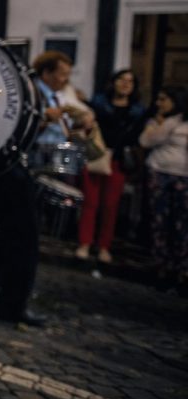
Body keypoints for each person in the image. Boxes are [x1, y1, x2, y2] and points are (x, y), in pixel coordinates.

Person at [0, 51, 89, 327]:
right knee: (26, 237)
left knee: (9, 233)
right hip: (10, 167)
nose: (64, 80)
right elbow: (10, 125)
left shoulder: (56, 97)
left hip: (31, 167)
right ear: (46, 73)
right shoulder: (31, 92)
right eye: (60, 74)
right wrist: (45, 119)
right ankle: (12, 304)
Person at [76, 69, 146, 263]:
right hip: (96, 156)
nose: (125, 84)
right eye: (122, 79)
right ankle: (85, 243)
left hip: (117, 161)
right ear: (113, 82)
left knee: (110, 206)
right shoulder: (99, 104)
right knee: (90, 203)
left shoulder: (137, 111)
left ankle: (104, 246)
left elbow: (136, 137)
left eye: (130, 81)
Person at [138, 85, 188, 293]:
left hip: (183, 176)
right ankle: (162, 266)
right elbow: (145, 141)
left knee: (182, 224)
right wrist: (158, 125)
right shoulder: (162, 122)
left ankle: (182, 269)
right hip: (160, 172)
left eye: (163, 99)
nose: (159, 103)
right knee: (160, 220)